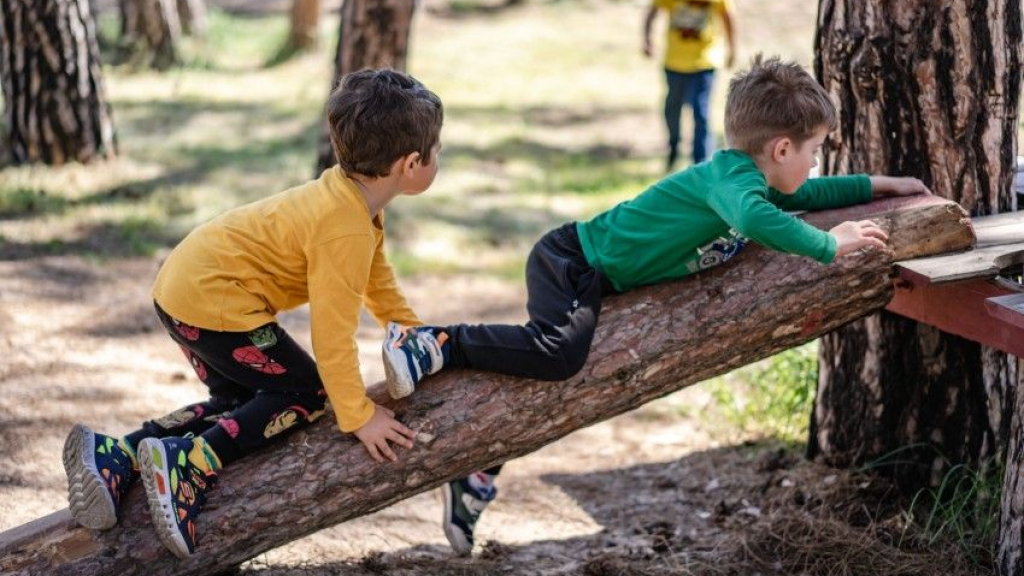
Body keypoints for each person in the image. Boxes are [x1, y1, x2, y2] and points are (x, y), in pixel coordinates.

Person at [381, 54, 932, 556]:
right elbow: (755, 219)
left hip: (598, 279)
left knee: (545, 376)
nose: (814, 166)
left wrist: (883, 185)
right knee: (557, 356)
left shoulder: (752, 176)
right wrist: (831, 245)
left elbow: (808, 196)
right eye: (814, 153)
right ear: (782, 149)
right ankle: (434, 341)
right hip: (572, 260)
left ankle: (477, 472)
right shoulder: (732, 182)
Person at [61, 68, 441, 559]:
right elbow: (332, 336)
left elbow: (377, 282)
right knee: (305, 393)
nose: (438, 160)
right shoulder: (344, 226)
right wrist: (359, 415)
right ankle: (190, 463)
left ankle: (121, 454)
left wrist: (414, 330)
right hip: (216, 302)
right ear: (411, 163)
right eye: (438, 151)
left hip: (183, 291)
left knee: (244, 401)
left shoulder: (347, 201)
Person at [642, 0, 736, 170]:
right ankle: (673, 146)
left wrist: (732, 49)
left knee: (701, 111)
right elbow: (652, 12)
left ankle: (701, 163)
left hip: (705, 62)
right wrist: (647, 39)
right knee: (672, 109)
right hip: (674, 62)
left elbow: (727, 16)